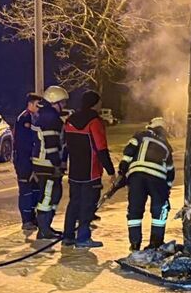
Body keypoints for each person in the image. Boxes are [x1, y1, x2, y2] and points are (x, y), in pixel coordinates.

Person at [62, 89, 115, 248]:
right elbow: (101, 148)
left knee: (74, 203)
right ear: (94, 103)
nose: (101, 105)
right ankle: (83, 238)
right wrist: (110, 171)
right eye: (99, 102)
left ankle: (68, 236)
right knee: (88, 205)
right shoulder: (95, 122)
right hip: (91, 172)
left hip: (75, 171)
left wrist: (64, 163)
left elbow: (65, 146)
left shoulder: (70, 120)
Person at [119, 116, 175, 252]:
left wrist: (123, 171)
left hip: (137, 177)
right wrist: (166, 189)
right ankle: (156, 243)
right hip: (158, 180)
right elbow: (170, 171)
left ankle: (135, 243)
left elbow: (128, 152)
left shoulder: (140, 136)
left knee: (135, 210)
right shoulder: (166, 145)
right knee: (159, 210)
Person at [31, 85, 68, 239]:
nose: (64, 106)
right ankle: (44, 229)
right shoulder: (50, 119)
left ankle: (46, 227)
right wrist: (57, 164)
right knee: (47, 196)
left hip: (44, 163)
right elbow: (52, 144)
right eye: (63, 103)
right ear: (55, 102)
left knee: (54, 194)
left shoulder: (45, 116)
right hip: (47, 164)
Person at [13, 92, 41, 231]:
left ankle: (32, 217)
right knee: (26, 191)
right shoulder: (24, 119)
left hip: (33, 160)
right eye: (37, 105)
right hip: (24, 161)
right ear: (30, 104)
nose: (39, 108)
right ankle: (26, 220)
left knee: (35, 190)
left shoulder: (35, 118)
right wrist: (29, 163)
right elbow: (24, 144)